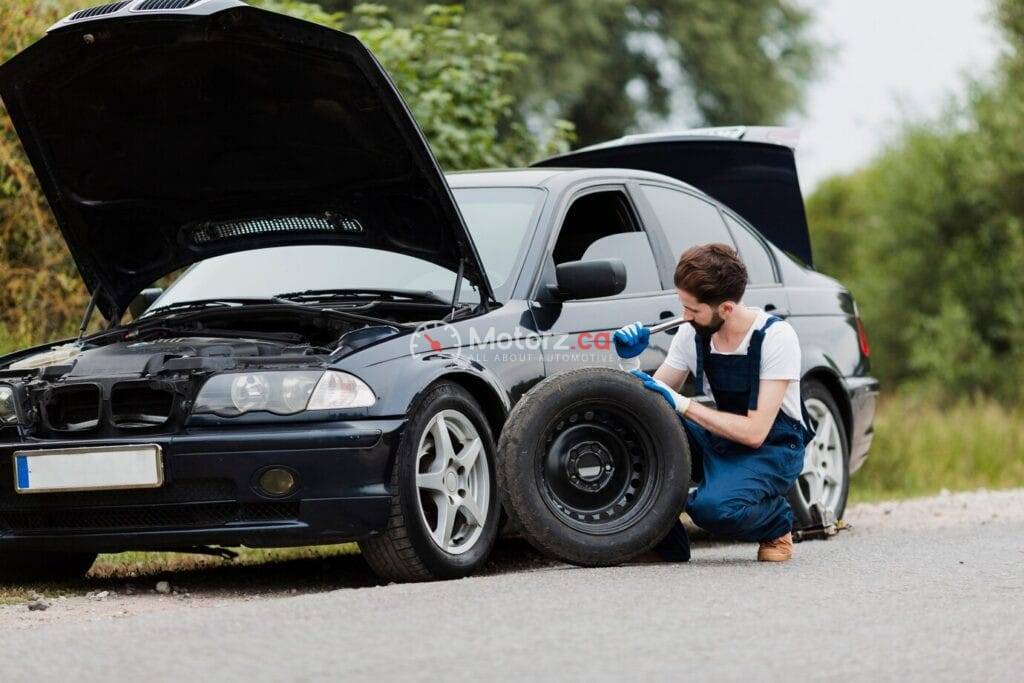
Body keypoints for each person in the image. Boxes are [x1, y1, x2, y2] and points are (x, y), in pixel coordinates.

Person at [613, 243, 814, 562]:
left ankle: (776, 523)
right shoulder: (691, 332)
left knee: (713, 509)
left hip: (773, 448)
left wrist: (682, 404)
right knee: (640, 427)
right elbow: (649, 402)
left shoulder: (776, 337)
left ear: (727, 309)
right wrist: (629, 363)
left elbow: (755, 433)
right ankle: (662, 542)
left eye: (693, 310)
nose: (685, 316)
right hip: (722, 435)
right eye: (683, 306)